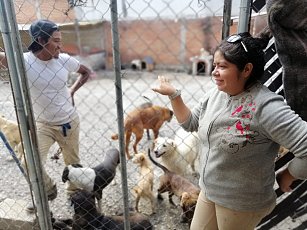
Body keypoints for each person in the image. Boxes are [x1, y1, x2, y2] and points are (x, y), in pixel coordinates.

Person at [152, 32, 307, 230]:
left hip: (241, 203)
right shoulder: (217, 93)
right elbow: (190, 123)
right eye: (215, 65)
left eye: (222, 66)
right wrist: (173, 95)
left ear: (246, 70)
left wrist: (289, 174)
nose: (214, 72)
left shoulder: (266, 107)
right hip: (209, 191)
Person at [1, 19, 92, 210]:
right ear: (42, 40)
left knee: (73, 165)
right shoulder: (23, 61)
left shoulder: (65, 60)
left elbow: (86, 72)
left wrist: (72, 91)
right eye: (56, 40)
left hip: (69, 121)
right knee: (28, 161)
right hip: (42, 125)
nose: (61, 45)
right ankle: (49, 189)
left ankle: (74, 198)